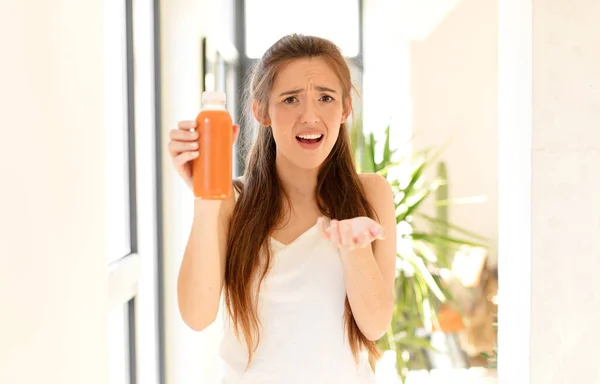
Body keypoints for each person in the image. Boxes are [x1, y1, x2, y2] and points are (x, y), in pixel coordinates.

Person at [168, 34, 397, 383]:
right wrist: (204, 196)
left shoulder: (371, 194)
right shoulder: (233, 200)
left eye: (325, 97)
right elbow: (197, 315)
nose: (309, 115)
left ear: (345, 108)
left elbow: (376, 324)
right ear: (261, 111)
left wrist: (355, 250)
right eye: (290, 99)